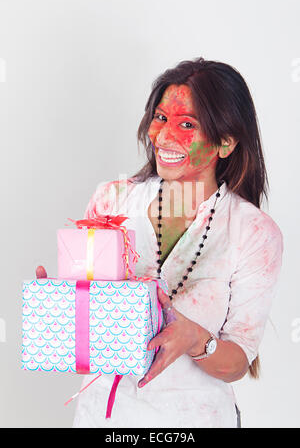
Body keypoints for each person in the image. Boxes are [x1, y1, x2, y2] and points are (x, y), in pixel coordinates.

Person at [36, 57, 284, 428]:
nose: (165, 136)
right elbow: (87, 337)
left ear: (226, 142)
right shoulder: (112, 201)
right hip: (104, 420)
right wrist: (62, 311)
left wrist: (195, 340)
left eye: (187, 124)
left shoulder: (253, 232)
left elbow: (237, 363)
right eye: (160, 118)